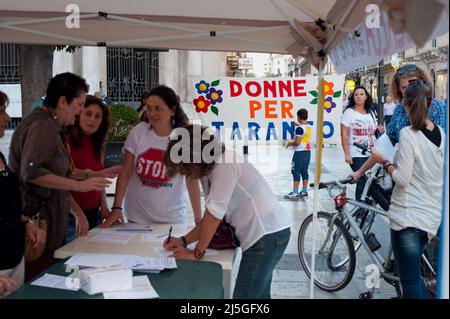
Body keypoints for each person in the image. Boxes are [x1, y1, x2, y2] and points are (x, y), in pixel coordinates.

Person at [163, 124, 291, 299]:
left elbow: (214, 217)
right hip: (267, 235)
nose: (187, 174)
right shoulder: (209, 170)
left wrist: (196, 253)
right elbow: (211, 216)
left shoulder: (226, 163)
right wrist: (184, 241)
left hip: (267, 236)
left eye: (186, 167)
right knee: (258, 297)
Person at [8, 72, 111, 280]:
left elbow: (61, 172)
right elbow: (33, 172)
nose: (82, 110)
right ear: (63, 102)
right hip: (39, 231)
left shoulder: (52, 125)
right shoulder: (43, 126)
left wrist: (91, 175)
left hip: (48, 230)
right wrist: (80, 186)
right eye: (80, 104)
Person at [370, 81, 445, 299]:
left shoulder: (408, 134)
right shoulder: (441, 133)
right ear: (431, 104)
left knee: (410, 280)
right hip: (430, 217)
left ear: (404, 105)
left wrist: (385, 162)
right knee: (415, 279)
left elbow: (402, 178)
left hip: (407, 217)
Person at [102, 85, 202, 226]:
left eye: (158, 108)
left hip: (172, 219)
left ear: (172, 110)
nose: (152, 113)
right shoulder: (138, 132)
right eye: (149, 108)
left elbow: (191, 181)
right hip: (136, 217)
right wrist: (117, 208)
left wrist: (198, 220)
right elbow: (126, 172)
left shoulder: (183, 137)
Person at [351, 64, 446, 180]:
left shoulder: (438, 108)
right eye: (404, 87)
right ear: (398, 90)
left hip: (430, 181)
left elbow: (441, 151)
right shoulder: (399, 110)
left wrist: (386, 162)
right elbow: (384, 144)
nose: (410, 90)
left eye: (413, 84)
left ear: (423, 84)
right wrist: (360, 171)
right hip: (403, 179)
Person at [0, 91, 44, 297]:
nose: (8, 118)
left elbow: (6, 205)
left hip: (15, 258)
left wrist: (25, 223)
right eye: (1, 112)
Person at [65, 95, 123, 242]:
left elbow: (99, 181)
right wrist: (78, 214)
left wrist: (104, 207)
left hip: (94, 214)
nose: (92, 119)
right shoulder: (65, 142)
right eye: (88, 114)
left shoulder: (97, 143)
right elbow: (62, 180)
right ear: (78, 115)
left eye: (98, 116)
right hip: (72, 217)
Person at [340, 86, 384, 200]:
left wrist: (379, 130)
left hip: (372, 154)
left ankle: (366, 210)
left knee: (370, 182)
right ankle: (360, 210)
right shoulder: (349, 112)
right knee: (362, 179)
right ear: (353, 97)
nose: (359, 97)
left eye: (361, 94)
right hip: (356, 153)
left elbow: (373, 132)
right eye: (356, 94)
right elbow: (344, 134)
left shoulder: (370, 113)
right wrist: (347, 153)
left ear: (366, 96)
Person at [284, 108, 311, 199]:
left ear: (298, 117)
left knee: (295, 171)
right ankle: (304, 191)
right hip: (307, 152)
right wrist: (298, 125)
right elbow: (302, 129)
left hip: (299, 153)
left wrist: (289, 143)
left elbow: (297, 142)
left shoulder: (299, 129)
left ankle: (295, 192)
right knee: (304, 171)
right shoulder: (308, 126)